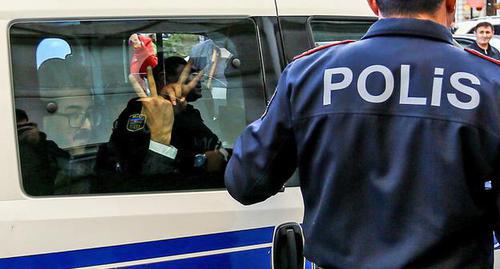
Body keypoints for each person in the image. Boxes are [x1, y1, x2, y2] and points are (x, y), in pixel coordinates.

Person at [225, 0, 499, 268]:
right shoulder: (490, 83)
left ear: (372, 3)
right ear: (451, 3)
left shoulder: (311, 73)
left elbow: (246, 182)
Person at [95, 56, 229, 192]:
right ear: (164, 77)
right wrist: (198, 160)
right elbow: (137, 167)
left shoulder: (189, 113)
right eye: (191, 74)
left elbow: (217, 149)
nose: (198, 79)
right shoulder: (140, 110)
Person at [16, 109, 69, 196]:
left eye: (25, 127)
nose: (23, 131)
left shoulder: (45, 144)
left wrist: (38, 141)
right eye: (18, 129)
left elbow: (67, 159)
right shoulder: (10, 151)